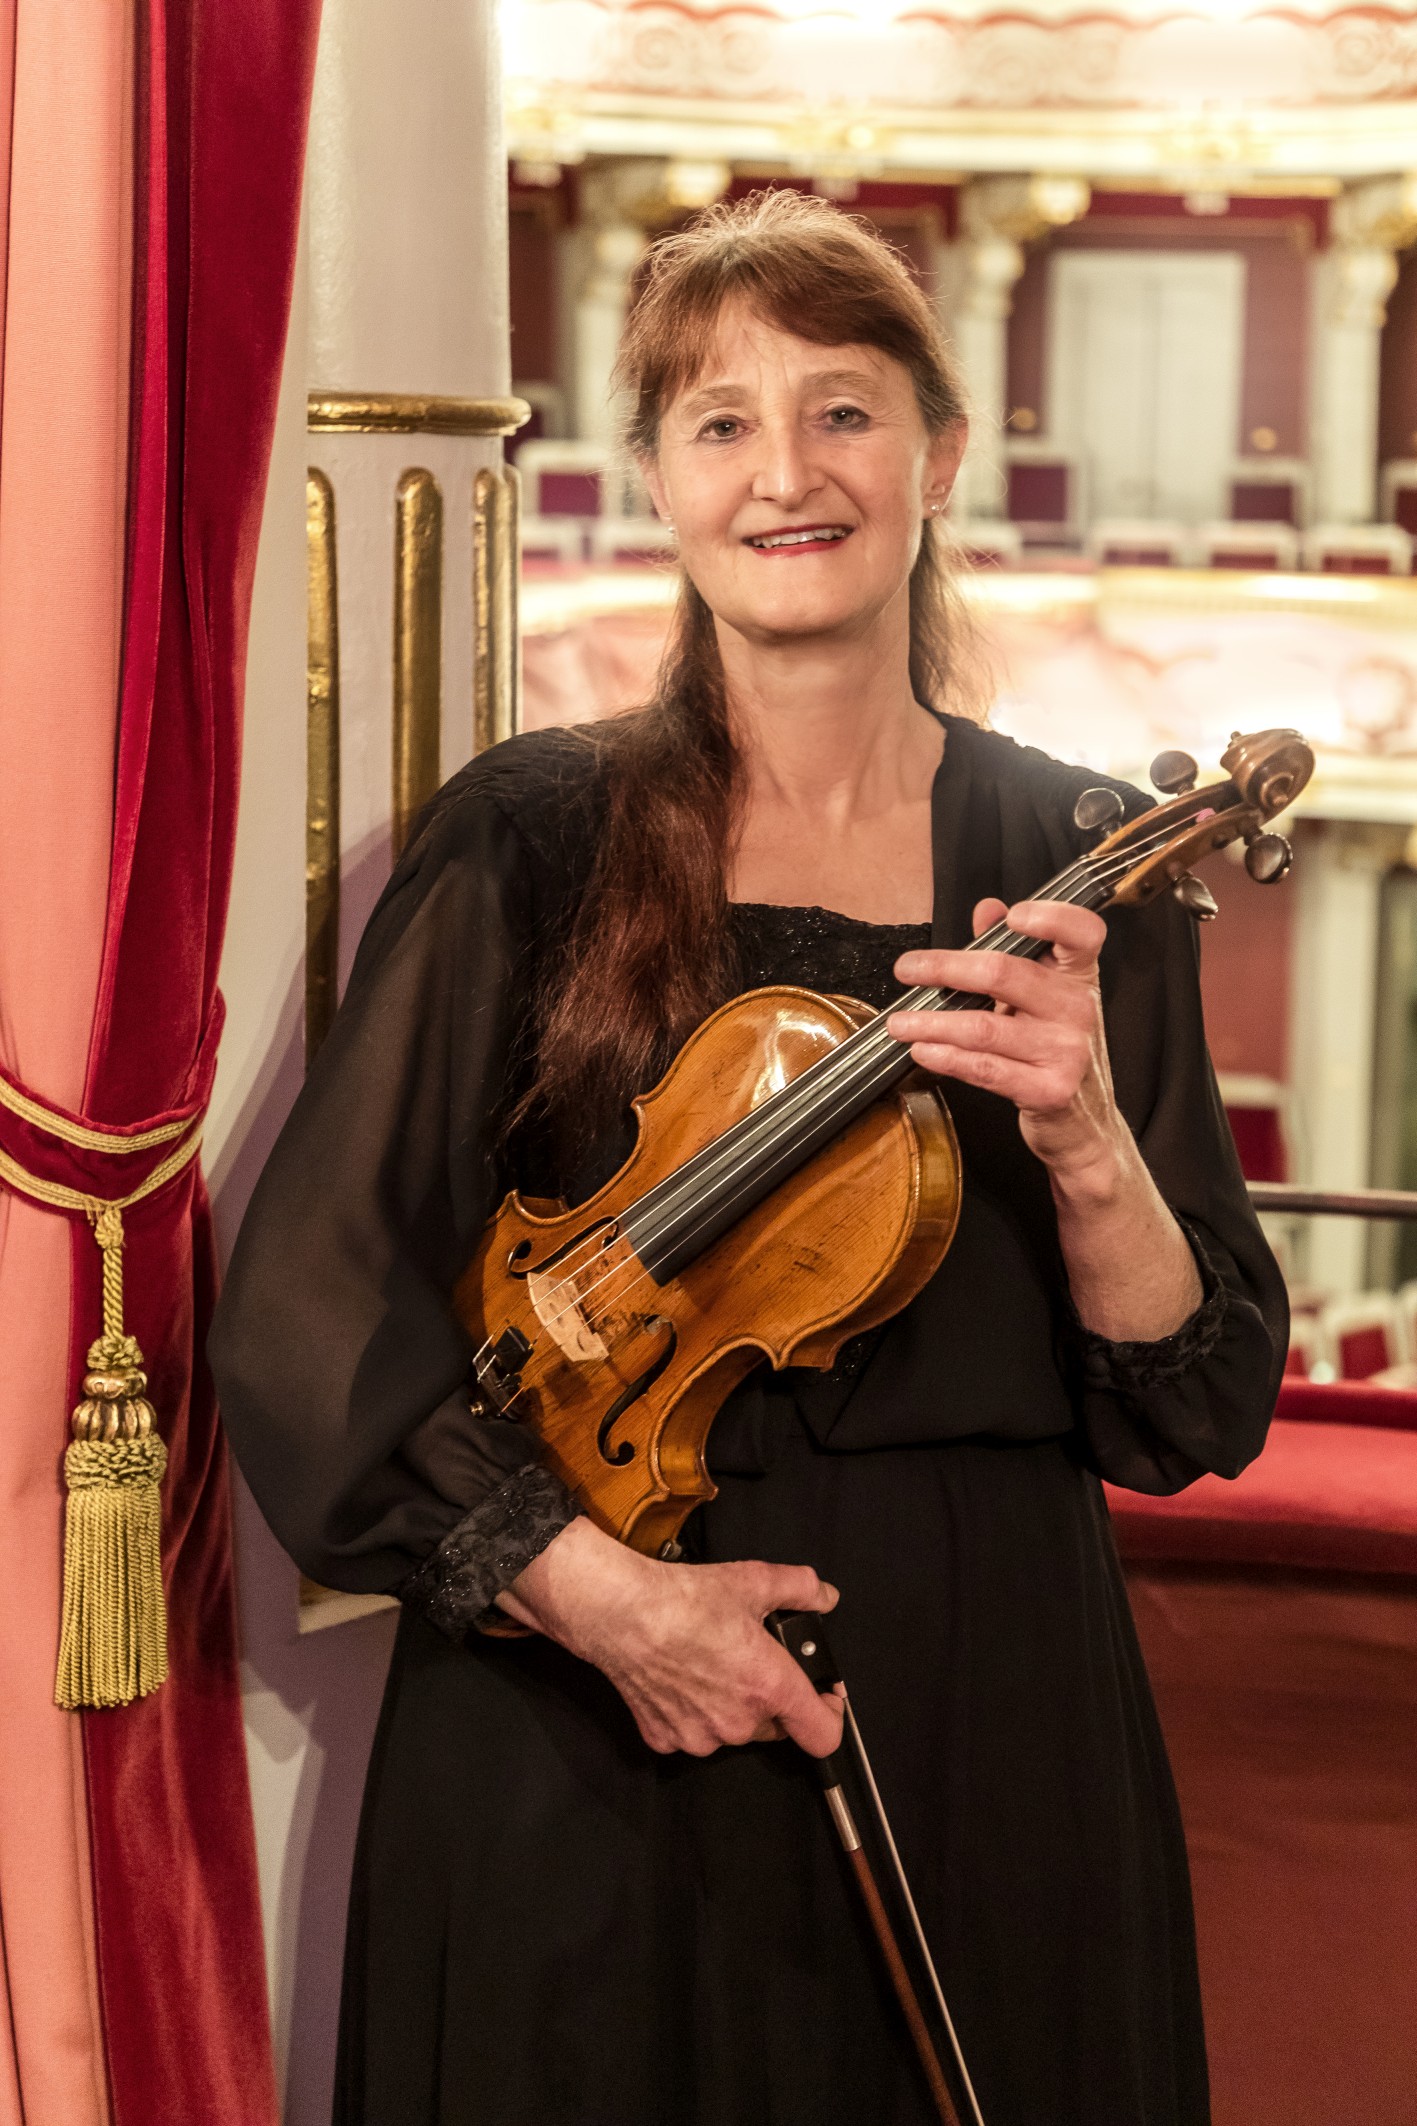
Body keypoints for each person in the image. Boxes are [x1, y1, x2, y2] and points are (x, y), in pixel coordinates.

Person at [210, 189, 1286, 2126]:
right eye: (721, 421)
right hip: (587, 1678)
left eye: (842, 410)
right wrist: (609, 1606)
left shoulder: (1077, 860)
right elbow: (313, 1300)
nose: (785, 473)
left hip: (980, 1679)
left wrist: (1085, 1139)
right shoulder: (532, 834)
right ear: (657, 480)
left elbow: (1187, 1401)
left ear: (938, 453)